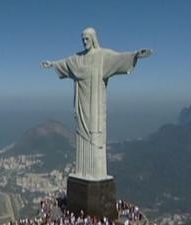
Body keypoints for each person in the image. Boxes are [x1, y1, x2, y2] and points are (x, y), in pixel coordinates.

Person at [41, 27, 152, 179]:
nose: (84, 42)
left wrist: (136, 55)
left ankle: (95, 174)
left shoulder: (102, 56)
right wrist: (52, 64)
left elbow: (119, 58)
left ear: (93, 39)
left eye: (87, 38)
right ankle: (83, 173)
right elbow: (66, 63)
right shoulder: (77, 58)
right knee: (81, 134)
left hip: (95, 106)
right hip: (81, 105)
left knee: (95, 136)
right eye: (83, 39)